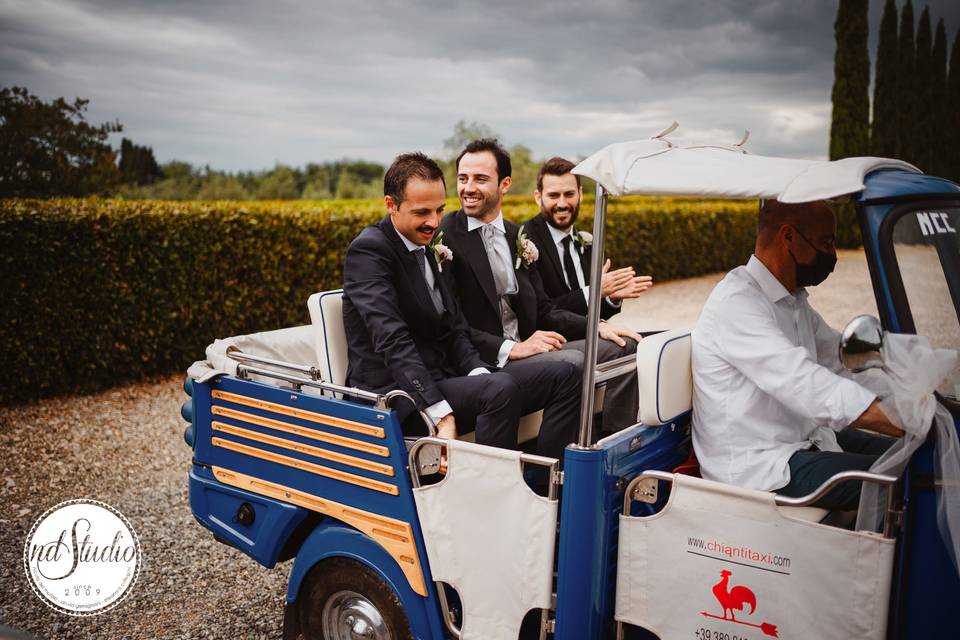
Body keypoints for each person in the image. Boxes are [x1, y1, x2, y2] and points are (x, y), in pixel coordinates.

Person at [341, 152, 581, 459]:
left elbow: (453, 326)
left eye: (440, 210)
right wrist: (440, 413)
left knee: (564, 375)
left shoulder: (427, 246)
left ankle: (551, 482)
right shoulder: (370, 251)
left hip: (445, 377)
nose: (434, 222)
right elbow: (391, 338)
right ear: (391, 205)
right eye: (422, 212)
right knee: (500, 390)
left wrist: (478, 371)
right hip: (397, 394)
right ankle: (491, 493)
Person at [691, 199, 904, 510]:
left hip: (804, 440)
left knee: (913, 453)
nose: (832, 256)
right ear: (788, 236)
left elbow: (843, 364)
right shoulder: (737, 303)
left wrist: (908, 397)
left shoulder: (792, 301)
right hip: (759, 466)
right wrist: (901, 420)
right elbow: (805, 384)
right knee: (910, 480)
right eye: (826, 242)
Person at [439, 139, 642, 432]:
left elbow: (544, 309)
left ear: (504, 184)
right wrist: (513, 347)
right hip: (490, 360)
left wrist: (594, 325)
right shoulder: (445, 238)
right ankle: (560, 465)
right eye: (462, 178)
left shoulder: (515, 236)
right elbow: (451, 322)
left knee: (624, 345)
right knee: (570, 362)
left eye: (480, 179)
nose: (468, 187)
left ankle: (613, 442)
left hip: (531, 348)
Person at [522, 156, 652, 320]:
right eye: (554, 195)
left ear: (580, 194)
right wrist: (594, 292)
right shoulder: (524, 241)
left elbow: (589, 313)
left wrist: (611, 298)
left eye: (569, 194)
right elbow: (537, 312)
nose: (562, 203)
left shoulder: (587, 242)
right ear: (538, 197)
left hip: (586, 338)